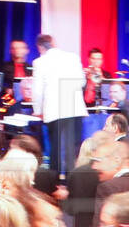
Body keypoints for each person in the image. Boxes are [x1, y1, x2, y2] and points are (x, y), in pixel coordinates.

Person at [30, 35, 87, 169]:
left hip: (54, 110)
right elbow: (82, 82)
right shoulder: (73, 57)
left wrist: (38, 111)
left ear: (40, 47)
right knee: (73, 146)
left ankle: (55, 179)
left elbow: (38, 90)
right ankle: (72, 177)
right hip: (74, 107)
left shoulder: (40, 62)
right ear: (53, 43)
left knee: (55, 147)